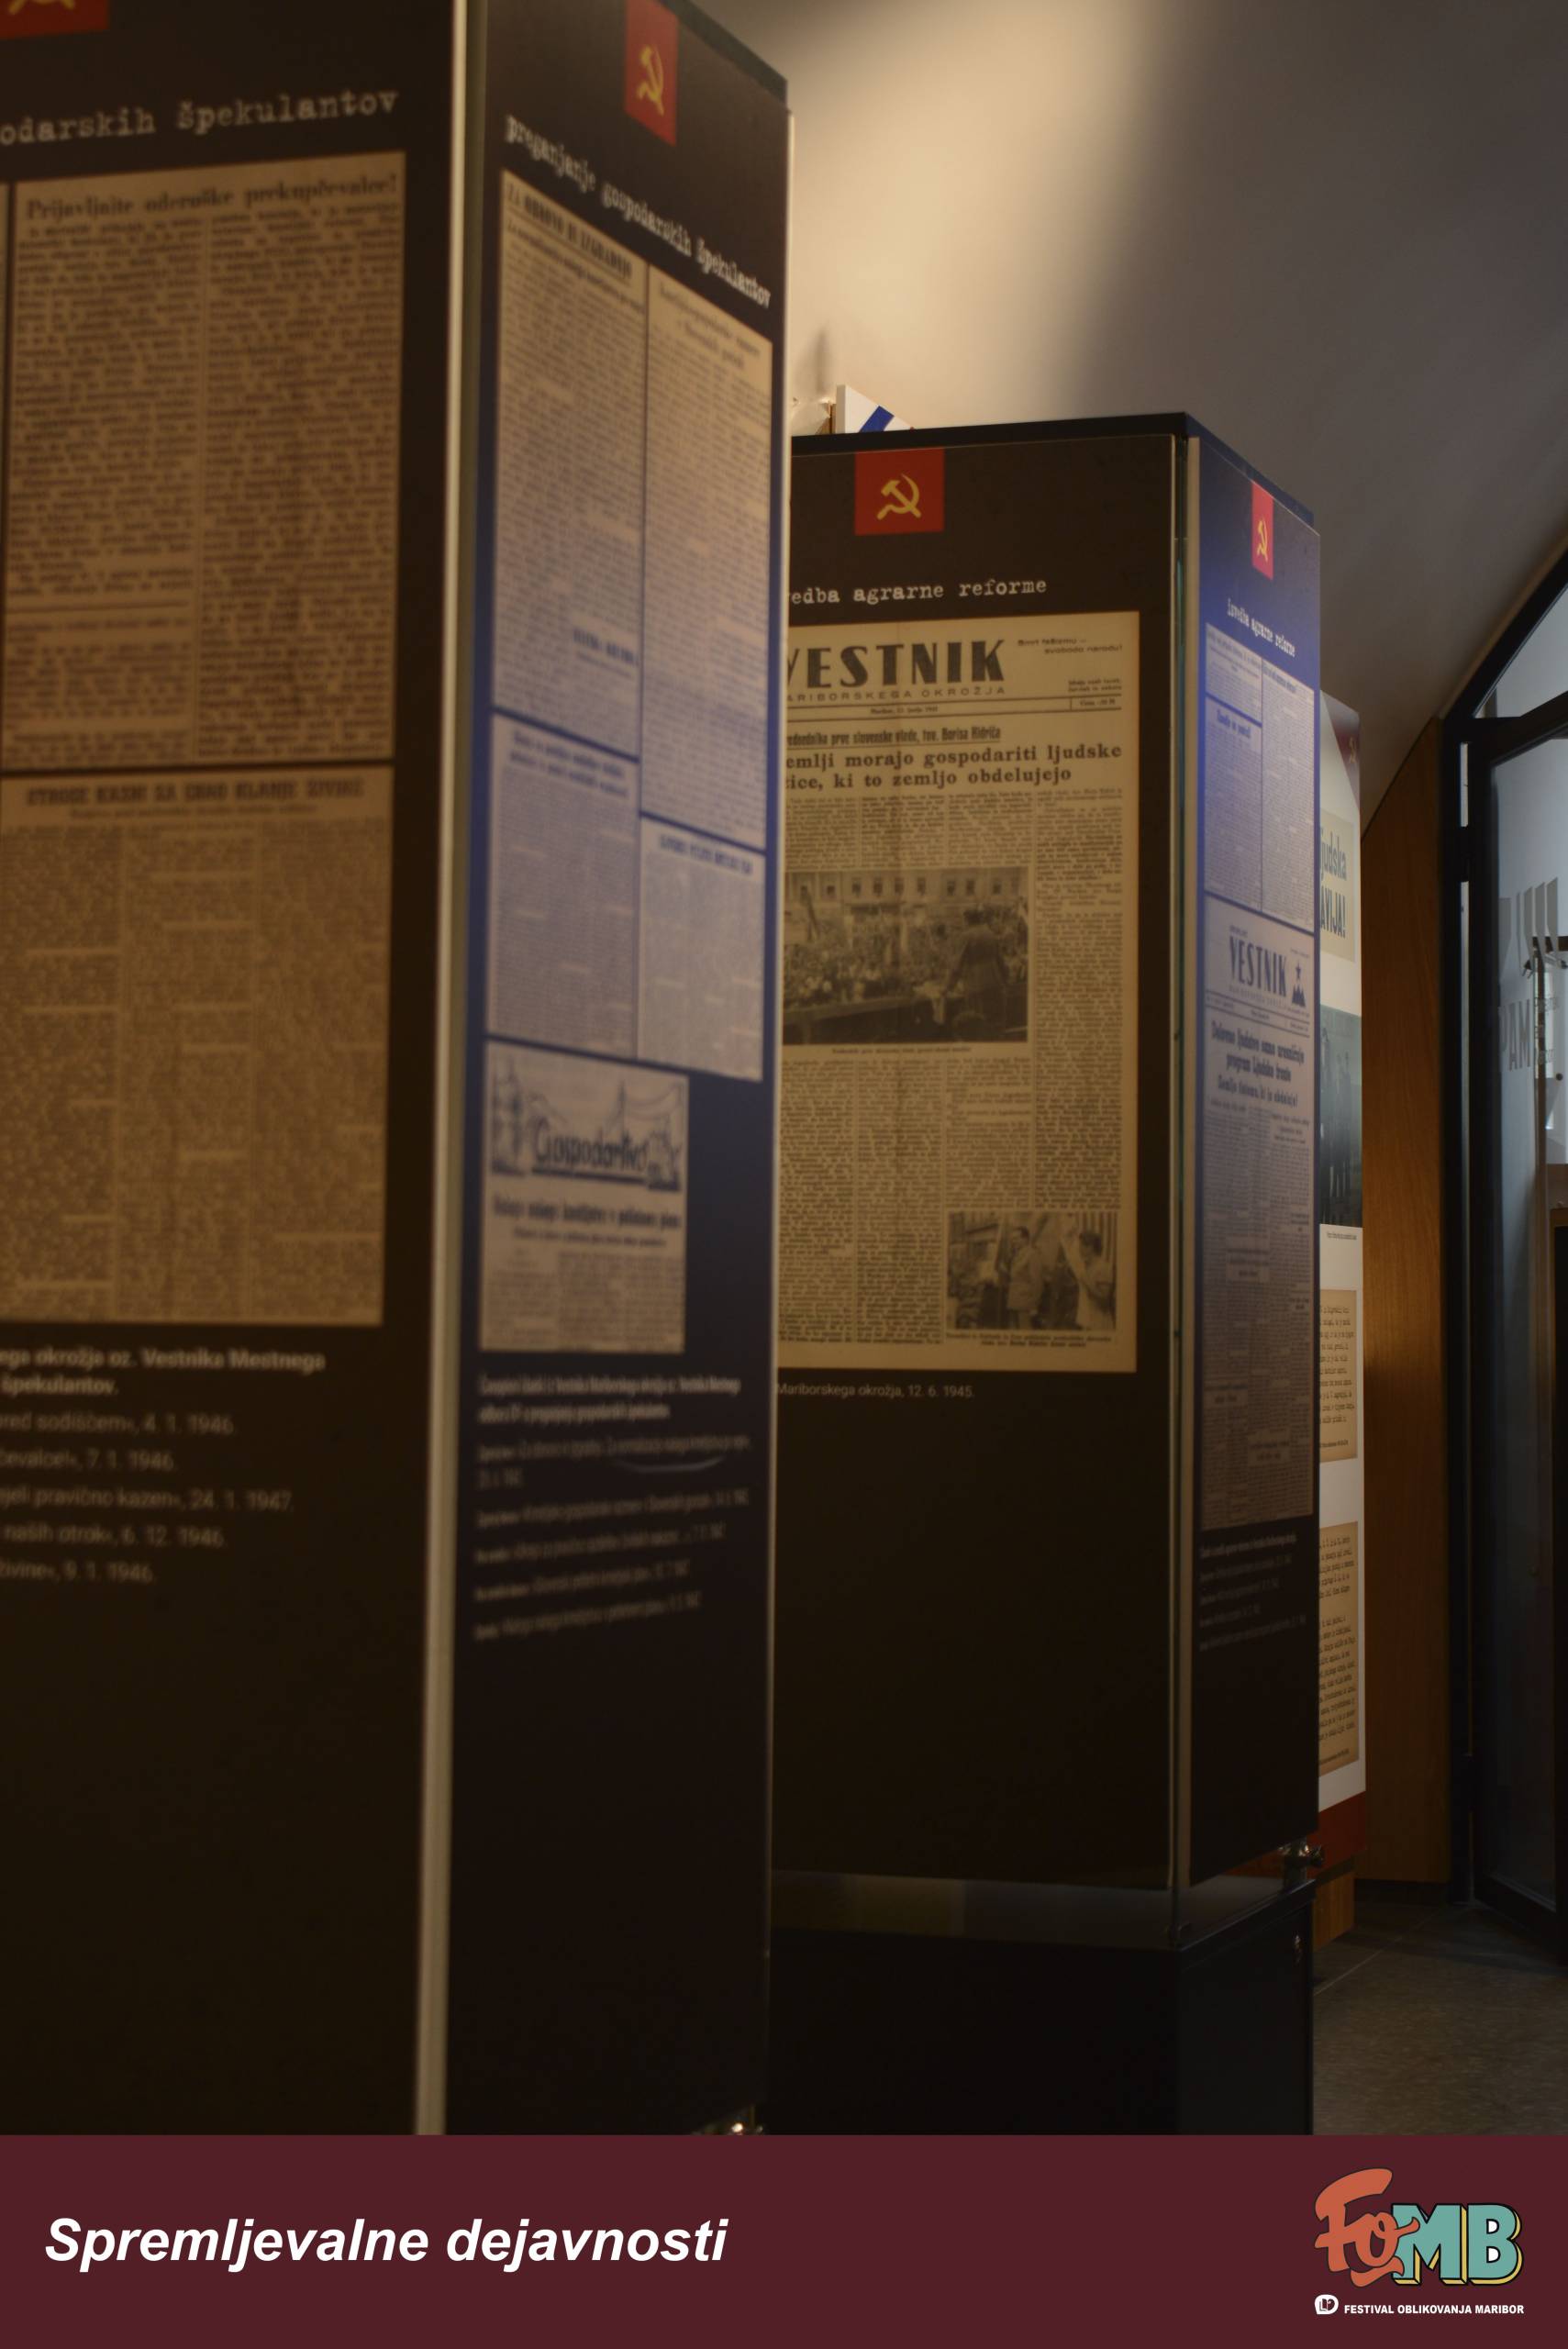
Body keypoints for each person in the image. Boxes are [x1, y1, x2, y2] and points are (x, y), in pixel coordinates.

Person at [947, 907, 1006, 1038]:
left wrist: (948, 987)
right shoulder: (990, 934)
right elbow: (1001, 962)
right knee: (994, 1024)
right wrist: (1004, 981)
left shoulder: (966, 936)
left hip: (977, 986)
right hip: (995, 983)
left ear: (966, 920)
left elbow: (957, 965)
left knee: (977, 1024)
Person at [1006, 1222, 1047, 1327]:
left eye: (1016, 1238)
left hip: (1026, 1304)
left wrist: (1034, 1306)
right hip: (1014, 1302)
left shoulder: (1032, 1255)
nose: (1013, 1241)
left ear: (1026, 1239)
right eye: (1012, 1239)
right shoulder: (1016, 1255)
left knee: (1025, 1331)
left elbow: (1037, 1282)